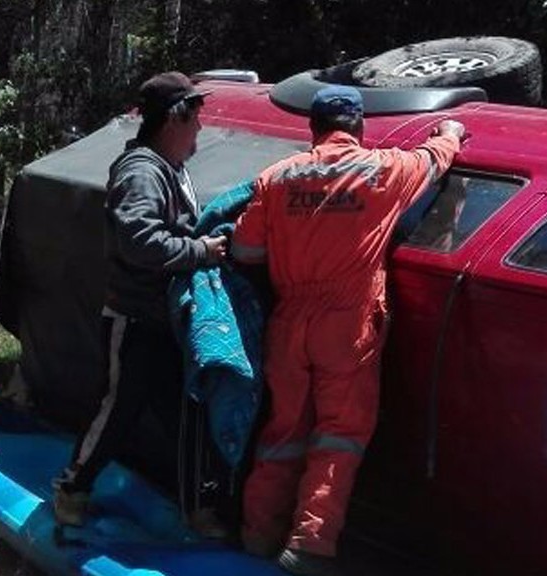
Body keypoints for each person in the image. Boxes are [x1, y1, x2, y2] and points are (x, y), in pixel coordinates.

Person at [230, 85, 465, 575]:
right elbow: (434, 159)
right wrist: (451, 131)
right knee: (339, 435)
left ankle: (256, 536)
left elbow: (246, 252)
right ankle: (310, 545)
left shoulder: (276, 177)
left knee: (282, 432)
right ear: (359, 129)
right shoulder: (385, 168)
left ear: (312, 129)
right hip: (347, 322)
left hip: (290, 320)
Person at [52, 71, 230, 528]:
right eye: (197, 117)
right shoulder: (142, 171)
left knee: (184, 413)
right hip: (135, 320)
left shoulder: (170, 168)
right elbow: (139, 241)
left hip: (167, 319)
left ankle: (199, 506)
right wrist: (200, 252)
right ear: (176, 117)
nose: (201, 129)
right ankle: (72, 489)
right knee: (118, 409)